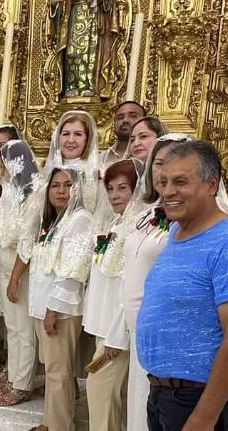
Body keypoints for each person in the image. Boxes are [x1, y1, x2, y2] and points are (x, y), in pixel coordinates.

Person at [120, 134, 228, 431]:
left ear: (211, 185)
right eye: (163, 182)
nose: (168, 191)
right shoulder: (178, 233)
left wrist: (203, 419)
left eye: (181, 182)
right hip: (165, 392)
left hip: (198, 397)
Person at [11, 168, 94, 431]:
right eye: (55, 185)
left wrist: (53, 309)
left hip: (60, 309)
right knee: (55, 371)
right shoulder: (55, 220)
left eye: (67, 185)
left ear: (78, 189)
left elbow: (73, 270)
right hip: (45, 305)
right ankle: (53, 421)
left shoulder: (79, 219)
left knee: (58, 372)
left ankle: (57, 427)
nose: (61, 191)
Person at [81, 159, 144, 431]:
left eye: (123, 188)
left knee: (101, 392)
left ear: (138, 189)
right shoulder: (118, 223)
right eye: (110, 188)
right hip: (103, 326)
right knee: (104, 397)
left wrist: (118, 336)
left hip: (116, 332)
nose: (115, 195)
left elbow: (132, 286)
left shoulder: (137, 230)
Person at [0, 139, 41, 406]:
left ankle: (23, 384)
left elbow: (28, 238)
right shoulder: (9, 189)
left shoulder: (34, 191)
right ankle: (16, 376)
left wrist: (16, 276)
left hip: (23, 266)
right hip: (5, 261)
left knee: (24, 328)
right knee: (12, 326)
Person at [44, 110, 100, 213]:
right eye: (66, 134)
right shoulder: (48, 171)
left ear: (87, 140)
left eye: (78, 134)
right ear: (58, 138)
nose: (70, 140)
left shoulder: (96, 174)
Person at [101, 101, 146, 167]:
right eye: (120, 117)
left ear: (145, 121)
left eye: (133, 116)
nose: (125, 120)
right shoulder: (100, 159)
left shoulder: (152, 155)